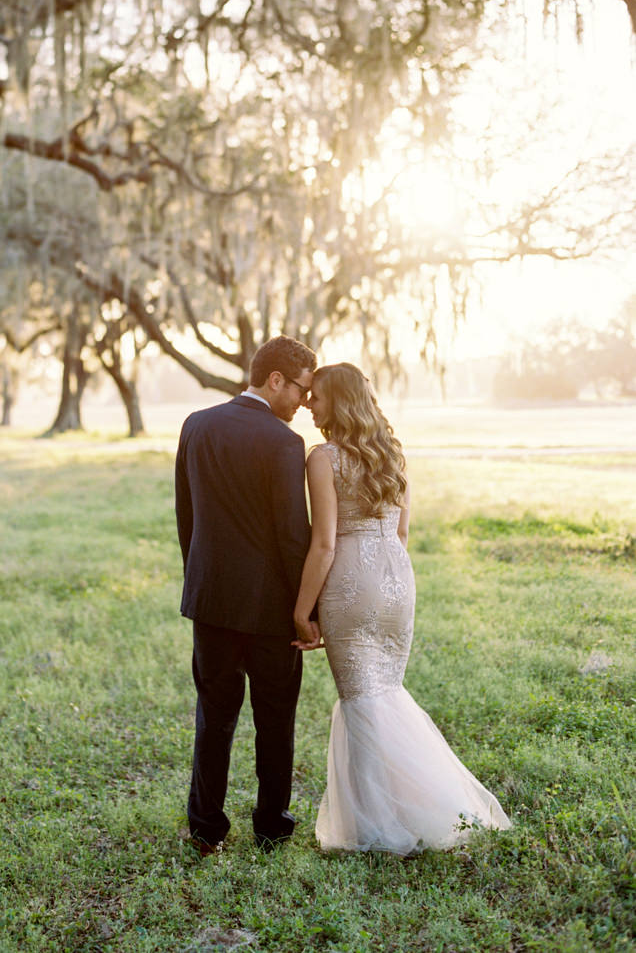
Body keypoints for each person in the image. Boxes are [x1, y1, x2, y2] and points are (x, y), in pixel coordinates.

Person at [293, 362, 511, 855]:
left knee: (361, 701)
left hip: (351, 583)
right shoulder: (391, 453)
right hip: (397, 581)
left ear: (341, 401)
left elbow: (324, 544)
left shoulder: (322, 457)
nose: (309, 405)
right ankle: (408, 809)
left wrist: (300, 610)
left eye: (318, 397)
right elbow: (402, 533)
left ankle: (376, 827)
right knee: (384, 693)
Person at [175, 335, 317, 854]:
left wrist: (203, 579)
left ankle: (205, 828)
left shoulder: (197, 424)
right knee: (275, 719)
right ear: (275, 379)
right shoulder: (283, 442)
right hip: (270, 610)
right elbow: (291, 537)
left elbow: (186, 518)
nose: (304, 402)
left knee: (214, 714)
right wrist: (309, 611)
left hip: (210, 600)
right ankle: (271, 827)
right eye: (301, 389)